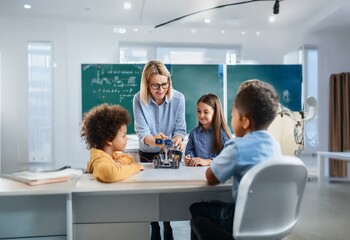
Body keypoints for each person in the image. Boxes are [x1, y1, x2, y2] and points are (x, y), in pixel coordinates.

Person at [189, 80, 282, 240]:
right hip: (272, 220)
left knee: (197, 209)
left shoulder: (237, 146)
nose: (231, 120)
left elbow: (211, 178)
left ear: (244, 121)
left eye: (233, 116)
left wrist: (211, 161)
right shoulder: (275, 145)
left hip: (244, 220)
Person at [133, 60, 187, 240]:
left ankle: (167, 224)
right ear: (147, 84)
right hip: (148, 151)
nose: (161, 89)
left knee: (167, 192)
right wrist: (158, 141)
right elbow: (143, 133)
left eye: (164, 84)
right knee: (150, 192)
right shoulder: (138, 99)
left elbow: (180, 129)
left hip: (170, 151)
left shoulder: (178, 98)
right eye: (155, 85)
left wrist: (178, 139)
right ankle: (153, 225)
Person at [81, 103, 143, 183]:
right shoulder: (99, 160)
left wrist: (118, 163)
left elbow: (129, 158)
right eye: (123, 136)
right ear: (109, 140)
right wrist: (135, 167)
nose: (126, 138)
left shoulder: (112, 155)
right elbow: (111, 174)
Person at [184, 93, 231, 167]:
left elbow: (229, 157)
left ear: (215, 113)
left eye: (206, 112)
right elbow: (190, 151)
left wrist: (209, 161)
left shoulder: (222, 134)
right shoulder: (194, 134)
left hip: (216, 173)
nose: (201, 115)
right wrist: (189, 158)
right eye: (199, 111)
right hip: (195, 173)